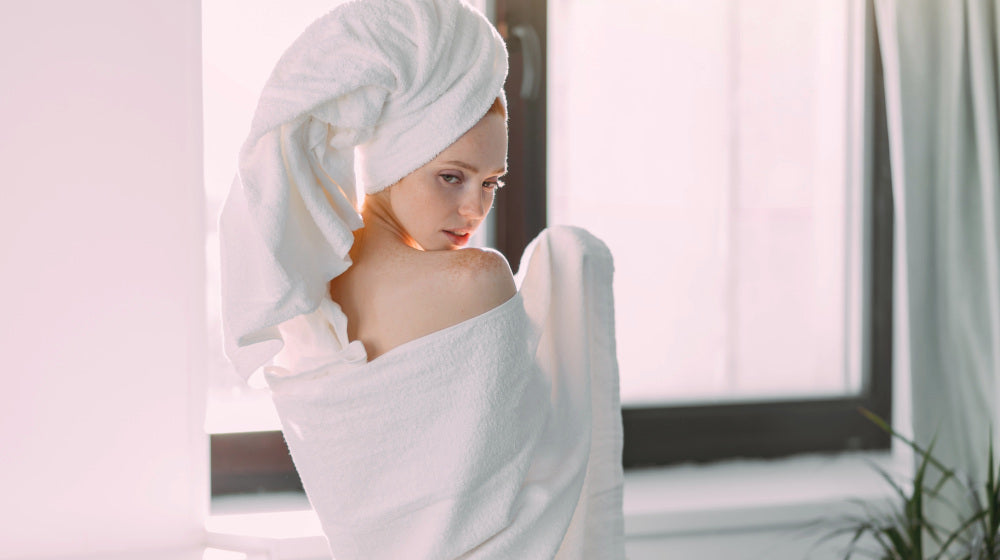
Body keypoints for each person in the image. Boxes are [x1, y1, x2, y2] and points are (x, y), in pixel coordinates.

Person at [218, 1, 625, 558]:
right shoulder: (478, 282)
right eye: (451, 177)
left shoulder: (306, 301)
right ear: (391, 155)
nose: (472, 210)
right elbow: (536, 477)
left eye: (491, 184)